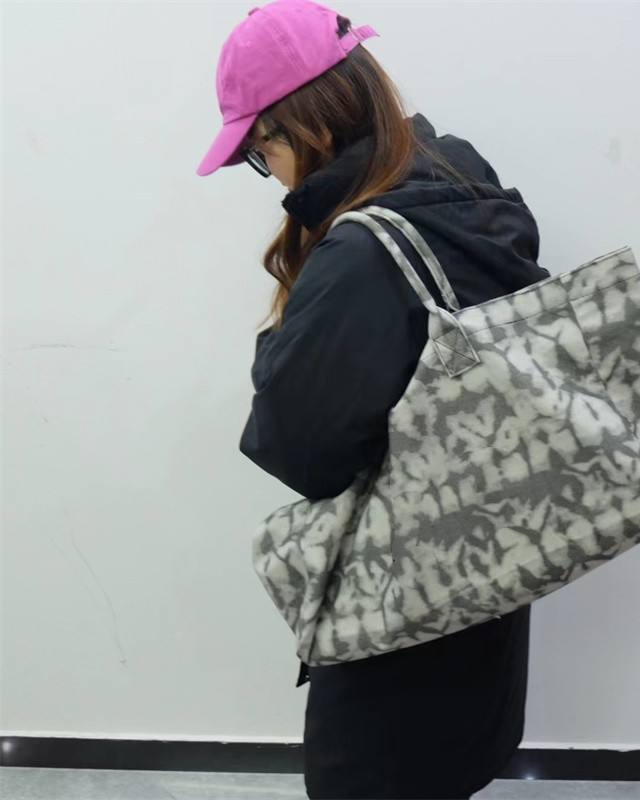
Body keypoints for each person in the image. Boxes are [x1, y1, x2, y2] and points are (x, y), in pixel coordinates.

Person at [197, 2, 549, 797]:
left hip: (401, 605)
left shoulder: (362, 255)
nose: (270, 173)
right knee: (455, 765)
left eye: (260, 150)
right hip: (495, 560)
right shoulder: (459, 177)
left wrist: (278, 344)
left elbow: (300, 450)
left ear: (306, 124)